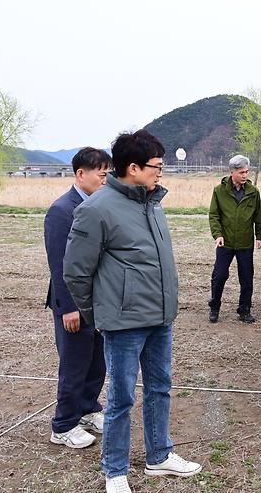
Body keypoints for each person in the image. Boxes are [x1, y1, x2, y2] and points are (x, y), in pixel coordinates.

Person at [63, 130, 201, 493]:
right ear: (133, 168)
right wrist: (100, 314)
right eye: (156, 166)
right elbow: (76, 272)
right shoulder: (95, 209)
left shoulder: (151, 202)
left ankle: (159, 455)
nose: (161, 172)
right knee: (121, 398)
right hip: (123, 323)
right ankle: (115, 470)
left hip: (159, 318)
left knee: (160, 388)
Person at [44, 147, 112, 450]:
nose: (105, 179)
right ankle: (63, 424)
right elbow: (59, 265)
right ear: (81, 174)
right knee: (74, 364)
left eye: (108, 173)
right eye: (101, 174)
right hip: (73, 305)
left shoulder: (97, 206)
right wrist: (68, 308)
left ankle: (88, 409)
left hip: (97, 301)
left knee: (96, 361)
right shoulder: (61, 210)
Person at [208, 155, 261, 323]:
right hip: (225, 242)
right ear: (232, 172)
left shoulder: (253, 192)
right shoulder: (219, 191)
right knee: (219, 276)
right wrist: (217, 235)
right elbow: (214, 215)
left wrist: (260, 236)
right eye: (241, 172)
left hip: (245, 243)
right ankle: (214, 307)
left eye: (247, 172)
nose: (245, 175)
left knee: (247, 278)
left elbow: (259, 216)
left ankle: (244, 310)